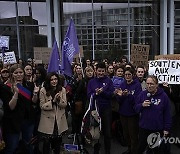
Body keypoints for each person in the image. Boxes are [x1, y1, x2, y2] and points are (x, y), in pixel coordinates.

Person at [0, 64, 39, 154]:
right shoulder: (5, 88)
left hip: (28, 120)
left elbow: (33, 102)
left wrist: (36, 93)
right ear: (12, 74)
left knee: (28, 144)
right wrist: (16, 94)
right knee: (12, 146)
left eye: (20, 72)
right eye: (16, 73)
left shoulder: (29, 85)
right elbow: (11, 107)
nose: (19, 75)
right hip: (13, 122)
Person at [134, 75, 171, 154]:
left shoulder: (163, 96)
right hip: (144, 128)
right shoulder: (142, 94)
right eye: (147, 84)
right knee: (140, 149)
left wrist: (166, 128)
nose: (149, 86)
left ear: (157, 85)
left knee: (155, 150)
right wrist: (142, 105)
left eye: (151, 84)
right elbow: (136, 108)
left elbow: (167, 113)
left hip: (157, 129)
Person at [87, 62, 114, 154]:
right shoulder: (91, 82)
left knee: (107, 131)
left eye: (103, 71)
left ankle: (107, 150)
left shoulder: (109, 81)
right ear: (96, 71)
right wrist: (95, 94)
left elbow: (111, 94)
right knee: (95, 131)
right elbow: (89, 94)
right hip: (95, 109)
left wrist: (103, 92)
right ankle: (96, 150)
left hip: (106, 108)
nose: (101, 73)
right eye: (99, 71)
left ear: (105, 71)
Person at [38, 72, 68, 154]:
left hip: (58, 120)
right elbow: (42, 106)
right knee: (46, 145)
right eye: (51, 80)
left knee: (57, 144)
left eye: (55, 79)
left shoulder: (62, 89)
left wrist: (58, 100)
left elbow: (65, 104)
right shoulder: (43, 90)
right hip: (48, 121)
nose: (54, 81)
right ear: (48, 81)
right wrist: (53, 101)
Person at [115, 67, 142, 154]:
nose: (127, 76)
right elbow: (119, 101)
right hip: (123, 113)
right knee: (126, 134)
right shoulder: (122, 84)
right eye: (126, 74)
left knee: (133, 135)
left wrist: (129, 95)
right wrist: (120, 95)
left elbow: (137, 101)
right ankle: (129, 149)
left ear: (133, 75)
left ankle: (134, 151)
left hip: (133, 114)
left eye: (129, 74)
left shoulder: (137, 85)